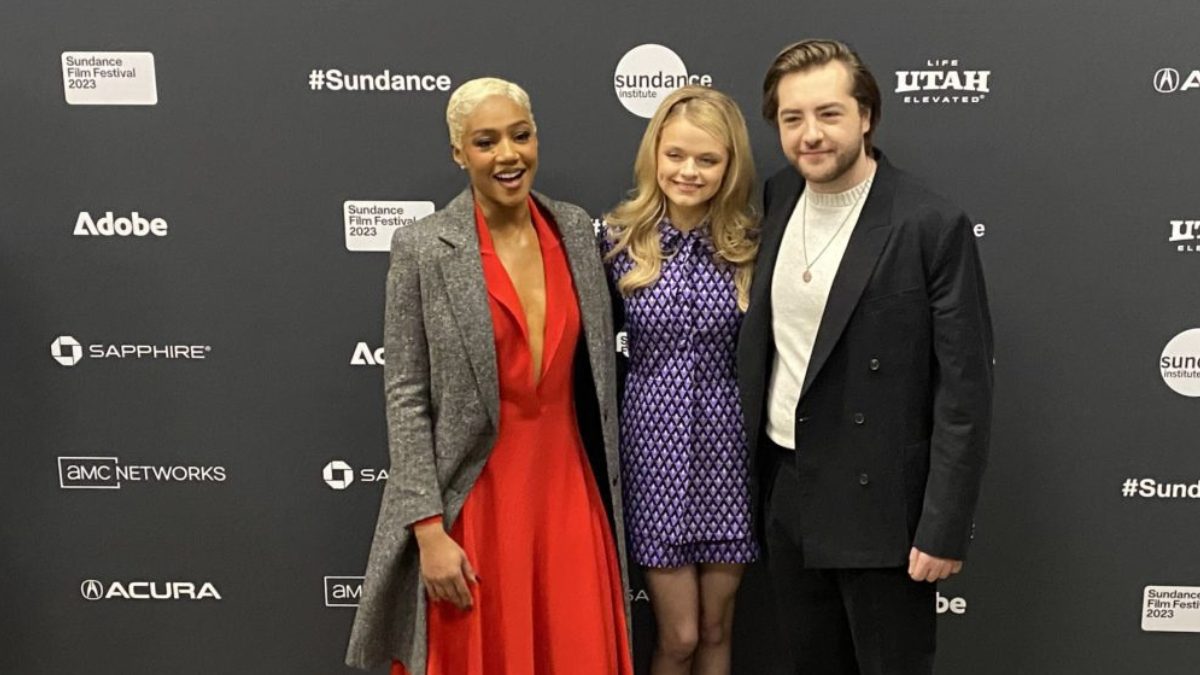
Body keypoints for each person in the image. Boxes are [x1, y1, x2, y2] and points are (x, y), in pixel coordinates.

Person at [344, 77, 633, 675]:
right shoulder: (423, 248)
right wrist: (427, 529)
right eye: (486, 141)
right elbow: (405, 395)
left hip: (569, 497)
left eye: (520, 136)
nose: (508, 154)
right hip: (474, 504)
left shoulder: (575, 230)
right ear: (459, 153)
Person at [736, 40, 994, 674]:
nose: (810, 135)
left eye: (829, 114)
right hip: (787, 491)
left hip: (884, 511)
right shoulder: (777, 198)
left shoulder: (929, 224)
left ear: (866, 116)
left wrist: (942, 527)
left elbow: (964, 391)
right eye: (792, 119)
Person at [603, 85, 759, 675]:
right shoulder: (616, 241)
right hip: (653, 451)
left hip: (729, 453)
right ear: (654, 156)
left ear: (729, 165)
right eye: (676, 156)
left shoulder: (751, 249)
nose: (688, 172)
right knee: (682, 636)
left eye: (707, 160)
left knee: (719, 628)